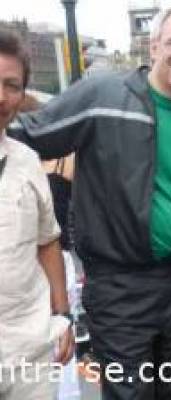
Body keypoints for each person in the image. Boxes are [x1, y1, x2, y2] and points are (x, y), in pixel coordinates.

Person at [10, 7, 171, 400]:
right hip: (119, 288)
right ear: (153, 44)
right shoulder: (104, 95)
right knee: (130, 395)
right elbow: (29, 134)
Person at [0, 30, 74, 399]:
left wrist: (62, 315)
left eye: (11, 85)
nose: (1, 96)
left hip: (28, 344)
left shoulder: (27, 160)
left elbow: (48, 241)